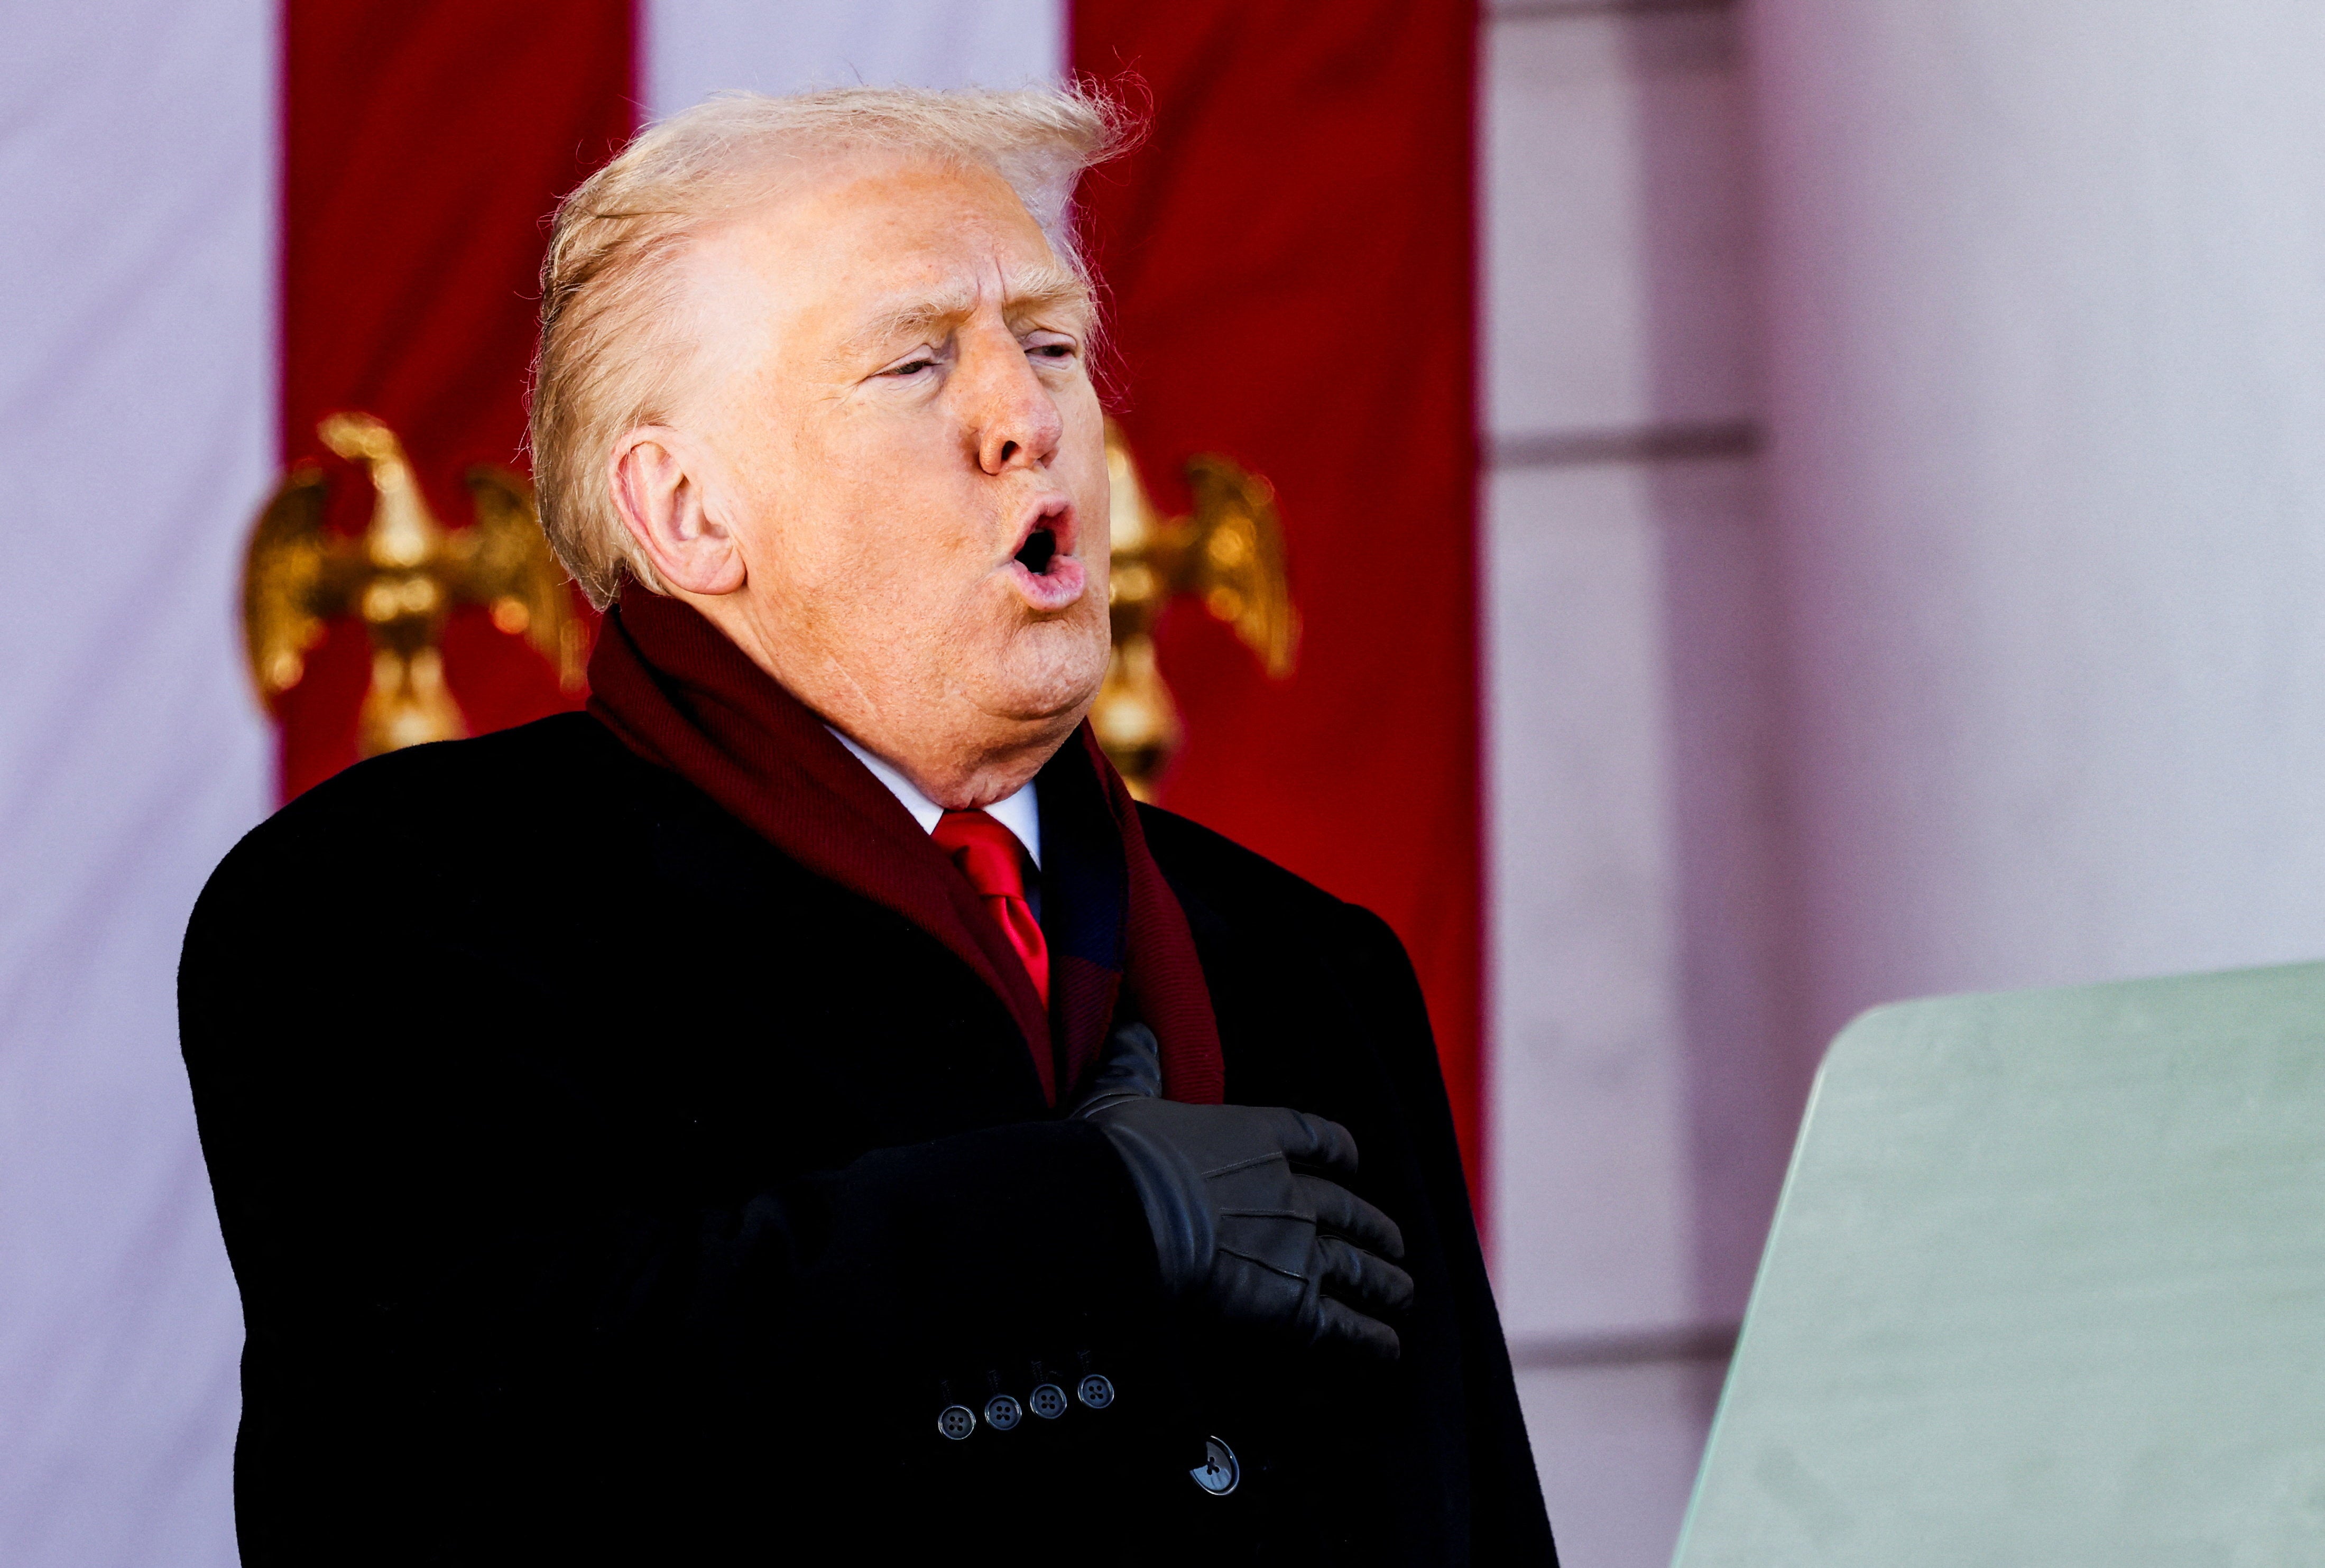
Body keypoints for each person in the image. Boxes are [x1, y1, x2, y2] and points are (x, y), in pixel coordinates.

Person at [180, 85, 1554, 1566]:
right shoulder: (390, 909)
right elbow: (438, 1463)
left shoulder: (1310, 966)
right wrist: (1082, 1222)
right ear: (689, 511)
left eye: (1050, 344)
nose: (1030, 418)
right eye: (915, 361)